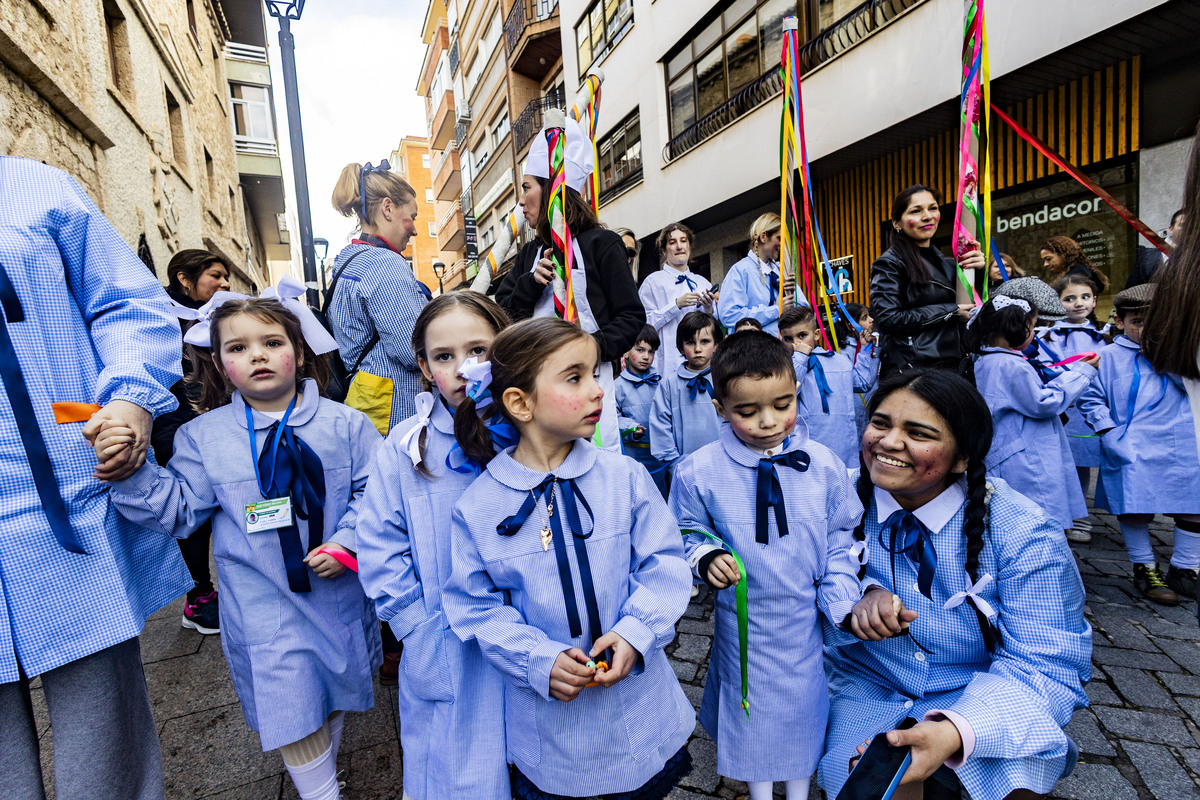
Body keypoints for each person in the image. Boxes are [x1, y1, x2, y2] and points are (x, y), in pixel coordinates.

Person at [101, 294, 382, 800]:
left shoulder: (348, 425)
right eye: (239, 346)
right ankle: (322, 794)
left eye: (272, 342)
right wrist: (134, 472)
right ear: (219, 362)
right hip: (263, 607)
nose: (258, 355)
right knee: (291, 702)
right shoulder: (202, 437)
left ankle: (321, 775)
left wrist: (349, 541)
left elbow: (378, 494)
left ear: (298, 349)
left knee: (329, 696)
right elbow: (182, 510)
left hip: (335, 597)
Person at [0, 156, 190, 800]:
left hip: (61, 504)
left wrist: (132, 398)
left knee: (102, 732)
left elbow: (128, 303)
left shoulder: (35, 188)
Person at [441, 318, 696, 800]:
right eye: (575, 377)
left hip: (639, 710)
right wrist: (538, 658)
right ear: (520, 402)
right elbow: (474, 607)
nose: (598, 390)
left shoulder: (625, 478)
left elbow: (664, 564)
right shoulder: (478, 506)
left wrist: (635, 632)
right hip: (552, 732)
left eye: (596, 374)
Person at [819, 369, 1091, 800]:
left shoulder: (1022, 530)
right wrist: (853, 608)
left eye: (919, 433)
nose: (888, 442)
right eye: (881, 423)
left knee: (1007, 781)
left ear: (963, 458)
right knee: (871, 782)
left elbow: (1049, 664)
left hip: (981, 689)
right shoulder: (832, 499)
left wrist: (955, 731)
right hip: (865, 686)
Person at [671, 331, 866, 800]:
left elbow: (843, 534)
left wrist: (840, 594)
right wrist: (705, 556)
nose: (768, 421)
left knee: (804, 706)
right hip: (746, 622)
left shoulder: (822, 465)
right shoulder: (698, 471)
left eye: (782, 405)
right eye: (746, 411)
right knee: (751, 711)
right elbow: (682, 530)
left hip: (805, 618)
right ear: (719, 408)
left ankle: (798, 791)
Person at [355, 293, 512, 800]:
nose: (464, 369)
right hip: (447, 643)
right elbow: (379, 543)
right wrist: (415, 629)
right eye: (444, 357)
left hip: (537, 638)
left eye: (479, 350)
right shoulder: (406, 446)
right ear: (423, 367)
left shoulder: (535, 431)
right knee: (459, 773)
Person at [494, 116, 646, 452]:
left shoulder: (601, 244)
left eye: (527, 187)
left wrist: (586, 351)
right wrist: (529, 284)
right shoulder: (528, 255)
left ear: (552, 190)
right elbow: (502, 318)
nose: (521, 201)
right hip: (536, 386)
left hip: (589, 379)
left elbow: (631, 317)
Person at [1080, 283, 1200, 605]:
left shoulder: (1182, 352)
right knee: (1134, 505)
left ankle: (1186, 567)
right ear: (1119, 321)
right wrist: (1108, 431)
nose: (1149, 329)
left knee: (1193, 503)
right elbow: (1091, 398)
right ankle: (1144, 566)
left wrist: (1168, 359)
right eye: (1139, 322)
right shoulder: (1108, 356)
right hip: (1131, 441)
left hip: (1181, 440)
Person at [969, 294, 1099, 534]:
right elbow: (1042, 404)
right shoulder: (1010, 364)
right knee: (1036, 512)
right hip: (1025, 453)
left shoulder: (987, 359)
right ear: (1017, 328)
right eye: (1032, 326)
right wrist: (1082, 373)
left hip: (1009, 447)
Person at [155, 248, 233, 634]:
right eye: (215, 276)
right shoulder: (159, 318)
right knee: (192, 509)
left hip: (213, 419)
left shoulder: (216, 317)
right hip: (175, 423)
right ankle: (199, 595)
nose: (224, 283)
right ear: (185, 278)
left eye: (225, 277)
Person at [329, 159, 430, 436]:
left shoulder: (348, 260)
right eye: (413, 216)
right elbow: (413, 350)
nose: (415, 229)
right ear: (388, 208)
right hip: (397, 410)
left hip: (367, 400)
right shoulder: (384, 263)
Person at [869, 186, 986, 376]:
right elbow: (889, 319)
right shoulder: (888, 263)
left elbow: (971, 309)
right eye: (916, 211)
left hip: (953, 366)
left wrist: (977, 271)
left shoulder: (949, 263)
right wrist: (951, 310)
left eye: (933, 208)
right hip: (913, 371)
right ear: (896, 223)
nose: (927, 216)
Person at [1038, 274, 1111, 543]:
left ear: (1093, 300)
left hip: (1093, 405)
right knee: (1063, 461)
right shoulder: (1048, 336)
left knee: (1084, 462)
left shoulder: (1105, 337)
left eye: (1084, 297)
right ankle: (1063, 514)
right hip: (1064, 405)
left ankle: (1081, 517)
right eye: (1069, 298)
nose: (1078, 303)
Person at [786, 307, 876, 466]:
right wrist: (799, 358)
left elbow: (863, 382)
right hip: (807, 451)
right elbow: (787, 392)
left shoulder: (839, 361)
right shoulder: (784, 368)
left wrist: (865, 350)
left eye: (802, 335)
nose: (796, 343)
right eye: (788, 338)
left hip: (844, 450)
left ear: (816, 335)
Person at [637, 222, 716, 374]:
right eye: (673, 242)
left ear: (689, 246)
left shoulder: (702, 282)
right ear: (664, 249)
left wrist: (708, 309)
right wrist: (676, 305)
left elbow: (714, 327)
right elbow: (644, 324)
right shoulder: (653, 282)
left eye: (683, 241)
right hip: (667, 363)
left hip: (701, 364)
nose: (679, 246)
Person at [650, 311, 724, 471]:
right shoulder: (669, 384)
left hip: (723, 464)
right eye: (690, 342)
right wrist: (674, 462)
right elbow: (660, 424)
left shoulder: (725, 379)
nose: (698, 349)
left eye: (705, 341)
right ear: (681, 347)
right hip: (683, 467)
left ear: (716, 344)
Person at [718, 213, 807, 336]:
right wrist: (775, 310)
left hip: (784, 348)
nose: (783, 245)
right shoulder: (740, 271)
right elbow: (729, 316)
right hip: (753, 349)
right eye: (779, 238)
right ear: (764, 237)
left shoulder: (781, 272)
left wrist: (792, 295)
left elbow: (805, 312)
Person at [617, 324, 669, 498]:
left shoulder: (663, 383)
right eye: (640, 350)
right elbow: (613, 418)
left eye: (651, 351)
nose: (646, 357)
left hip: (660, 458)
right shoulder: (617, 387)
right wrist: (631, 427)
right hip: (634, 457)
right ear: (625, 351)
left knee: (661, 498)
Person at [833, 302, 880, 439]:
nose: (871, 320)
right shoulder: (844, 352)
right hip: (858, 406)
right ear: (850, 325)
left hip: (872, 400)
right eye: (865, 318)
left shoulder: (869, 344)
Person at [1125, 209, 1184, 289]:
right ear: (1171, 229)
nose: (1189, 229)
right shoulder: (1147, 258)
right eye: (1183, 225)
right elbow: (1130, 295)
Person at [1039, 235, 1110, 294]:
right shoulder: (1080, 272)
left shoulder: (1077, 275)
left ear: (1063, 254)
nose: (1045, 264)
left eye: (1048, 259)